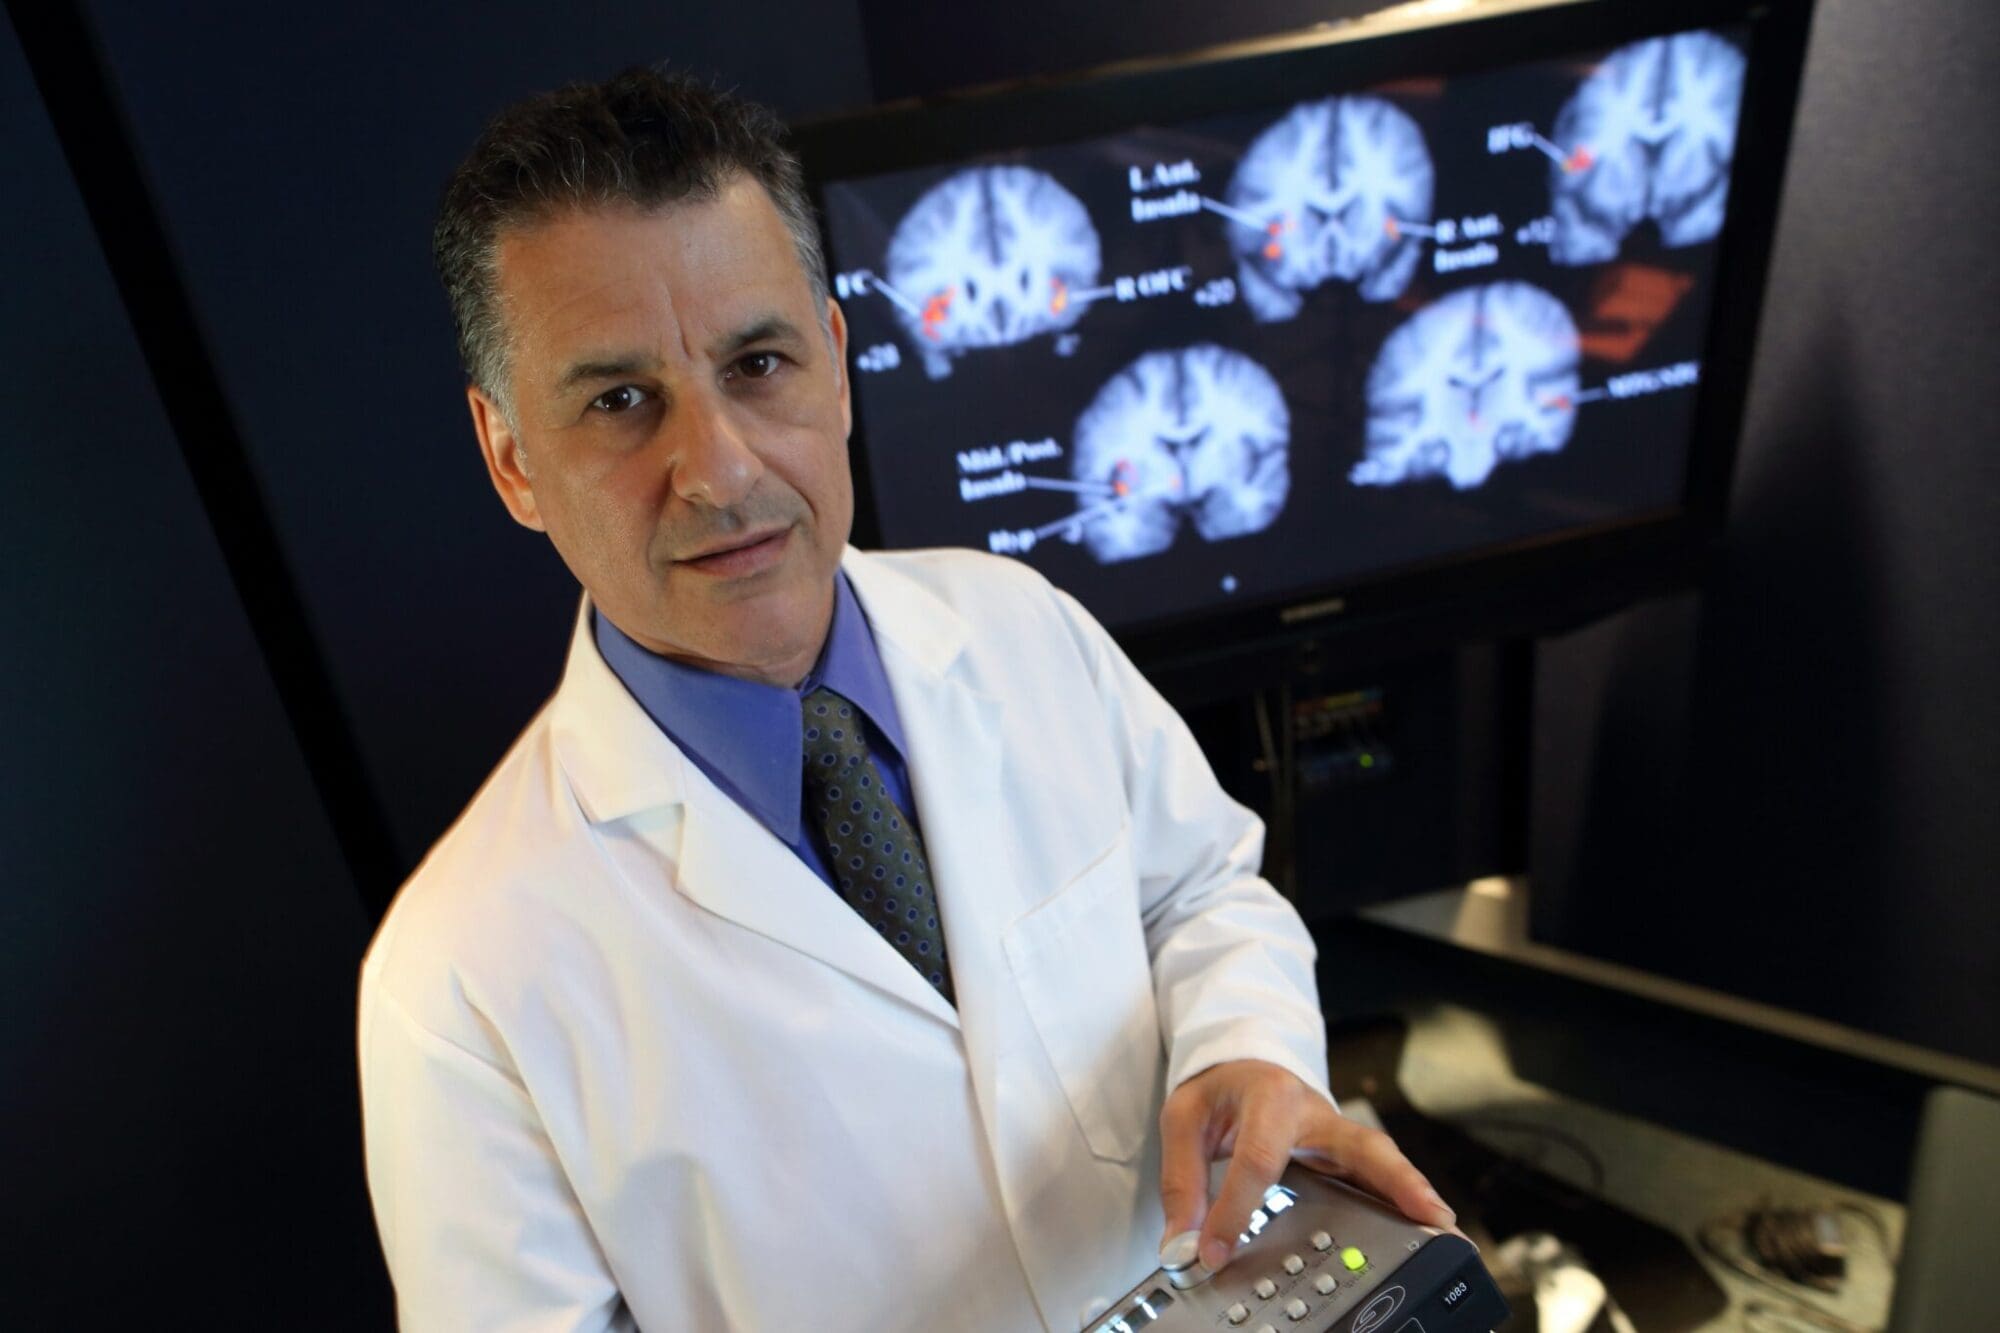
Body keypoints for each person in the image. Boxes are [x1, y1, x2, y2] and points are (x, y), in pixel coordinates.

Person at [357, 67, 1455, 1331]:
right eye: (618, 401)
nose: (716, 469)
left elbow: (1196, 890)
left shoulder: (1013, 623)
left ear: (834, 360)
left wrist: (1244, 1048)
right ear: (512, 459)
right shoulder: (455, 988)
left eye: (757, 362)